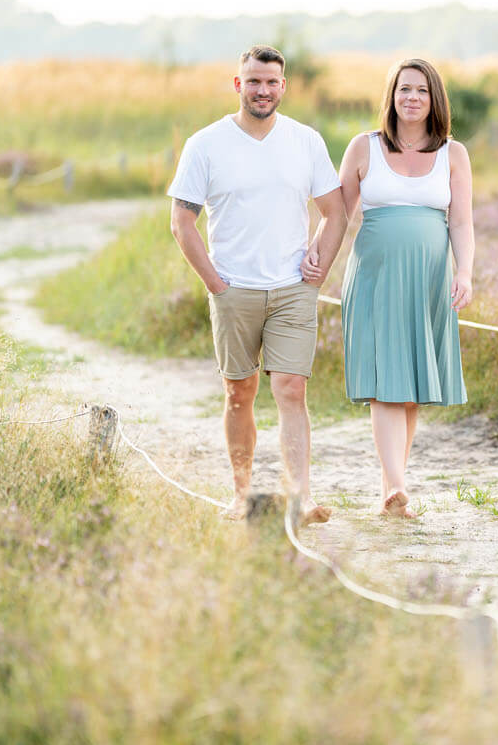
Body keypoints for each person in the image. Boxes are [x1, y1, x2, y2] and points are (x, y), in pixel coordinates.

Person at [169, 44, 346, 525]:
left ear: (283, 87)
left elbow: (336, 212)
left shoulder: (306, 141)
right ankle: (242, 493)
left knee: (292, 390)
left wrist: (319, 266)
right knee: (238, 393)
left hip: (292, 288)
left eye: (271, 82)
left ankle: (301, 499)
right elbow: (182, 221)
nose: (263, 90)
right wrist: (216, 284)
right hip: (233, 290)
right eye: (254, 81)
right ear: (238, 85)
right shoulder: (205, 144)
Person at [312, 58, 473, 518]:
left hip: (429, 280)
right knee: (387, 381)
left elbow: (461, 220)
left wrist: (465, 273)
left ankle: (392, 492)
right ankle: (398, 486)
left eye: (421, 90)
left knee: (413, 384)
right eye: (404, 89)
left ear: (434, 97)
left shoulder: (452, 154)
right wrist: (315, 258)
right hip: (376, 276)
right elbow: (338, 215)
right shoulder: (364, 148)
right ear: (392, 95)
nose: (412, 98)